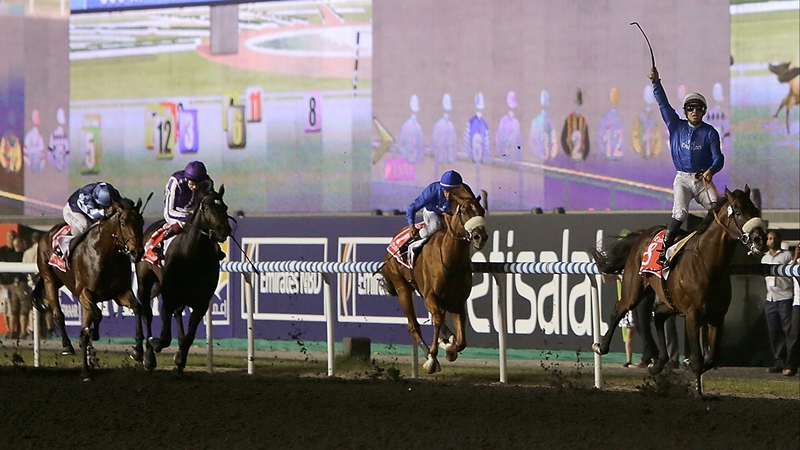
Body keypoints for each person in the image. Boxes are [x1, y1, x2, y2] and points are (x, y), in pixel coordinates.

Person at [649, 67, 724, 267]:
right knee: (680, 214)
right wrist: (656, 83)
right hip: (682, 179)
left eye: (698, 108)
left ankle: (709, 246)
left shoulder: (710, 133)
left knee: (718, 209)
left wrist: (711, 171)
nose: (694, 112)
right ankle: (663, 250)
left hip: (701, 180)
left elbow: (719, 158)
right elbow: (663, 105)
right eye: (690, 108)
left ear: (704, 111)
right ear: (685, 111)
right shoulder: (676, 125)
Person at [161, 160, 223, 260]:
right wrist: (187, 216)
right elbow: (169, 211)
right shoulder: (176, 182)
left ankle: (215, 247)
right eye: (192, 183)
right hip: (176, 212)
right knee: (184, 223)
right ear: (187, 179)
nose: (195, 187)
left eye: (198, 184)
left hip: (195, 211)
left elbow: (210, 201)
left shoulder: (207, 182)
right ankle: (161, 244)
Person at [405, 170, 463, 262]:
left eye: (452, 192)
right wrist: (411, 225)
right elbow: (413, 207)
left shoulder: (463, 193)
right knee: (436, 224)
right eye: (445, 191)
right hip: (431, 212)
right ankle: (415, 240)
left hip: (448, 215)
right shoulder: (432, 190)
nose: (448, 195)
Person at [760, 230, 794, 373]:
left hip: (785, 297)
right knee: (774, 332)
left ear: (779, 240)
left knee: (788, 331)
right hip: (771, 299)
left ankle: (790, 362)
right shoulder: (764, 258)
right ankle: (778, 361)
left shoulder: (786, 255)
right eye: (769, 238)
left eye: (774, 238)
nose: (772, 241)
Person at [6, 236, 29, 339]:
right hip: (21, 284)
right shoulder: (22, 256)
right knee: (24, 309)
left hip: (11, 286)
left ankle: (11, 331)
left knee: (13, 310)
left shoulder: (9, 256)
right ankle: (23, 332)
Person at [782, 245, 800, 377]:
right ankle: (790, 365)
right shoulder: (795, 263)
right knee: (794, 335)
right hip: (798, 303)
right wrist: (795, 258)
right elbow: (787, 272)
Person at [0, 230, 19, 336]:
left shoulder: (17, 252)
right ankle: (8, 329)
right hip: (4, 284)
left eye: (13, 236)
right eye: (9, 236)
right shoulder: (2, 251)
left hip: (15, 284)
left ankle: (13, 329)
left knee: (14, 308)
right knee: (5, 307)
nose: (11, 238)